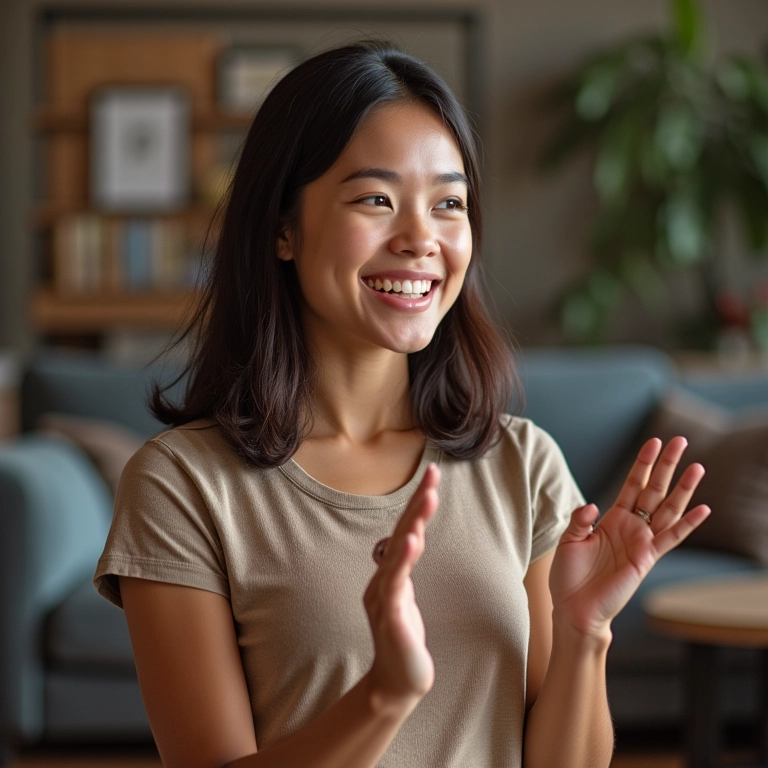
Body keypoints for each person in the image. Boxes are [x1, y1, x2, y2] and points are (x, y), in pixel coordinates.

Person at [93, 40, 710, 768]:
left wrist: (584, 633)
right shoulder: (181, 485)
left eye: (449, 204)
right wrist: (384, 696)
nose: (421, 239)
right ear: (282, 228)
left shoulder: (524, 463)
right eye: (376, 200)